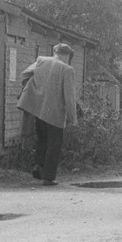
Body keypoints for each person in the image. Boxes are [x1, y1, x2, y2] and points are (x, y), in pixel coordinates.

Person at [17, 43, 78, 186]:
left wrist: (33, 88)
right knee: (54, 144)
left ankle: (38, 168)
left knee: (42, 140)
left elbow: (25, 74)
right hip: (55, 113)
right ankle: (48, 178)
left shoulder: (41, 61)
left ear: (55, 52)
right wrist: (72, 118)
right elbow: (69, 97)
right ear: (67, 55)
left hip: (38, 109)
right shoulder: (67, 69)